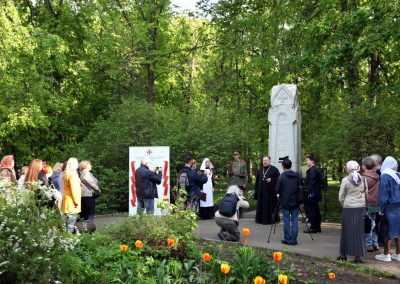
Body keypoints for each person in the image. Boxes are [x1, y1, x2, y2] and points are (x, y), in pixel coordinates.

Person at [337, 161, 367, 263]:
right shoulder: (363, 179)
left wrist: (344, 204)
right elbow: (365, 193)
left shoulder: (345, 180)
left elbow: (341, 196)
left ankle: (343, 255)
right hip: (360, 207)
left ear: (348, 169)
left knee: (346, 231)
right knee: (358, 232)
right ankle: (357, 257)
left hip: (348, 207)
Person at [375, 156, 400, 262]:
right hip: (398, 206)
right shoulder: (397, 175)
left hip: (389, 207)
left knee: (387, 230)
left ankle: (386, 254)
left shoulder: (385, 176)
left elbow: (383, 194)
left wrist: (380, 208)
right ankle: (398, 253)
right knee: (398, 230)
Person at [275, 158, 301, 245]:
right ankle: (294, 240)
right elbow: (300, 187)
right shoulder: (297, 175)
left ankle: (287, 238)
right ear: (291, 165)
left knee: (286, 221)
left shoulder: (281, 176)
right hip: (295, 201)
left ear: (283, 166)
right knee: (295, 221)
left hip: (285, 202)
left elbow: (277, 190)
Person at [254, 155, 280, 225]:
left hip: (269, 193)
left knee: (269, 206)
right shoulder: (260, 169)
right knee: (261, 205)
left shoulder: (274, 169)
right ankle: (260, 220)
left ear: (269, 161)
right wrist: (256, 192)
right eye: (263, 160)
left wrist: (271, 179)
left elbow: (278, 179)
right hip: (261, 192)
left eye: (266, 160)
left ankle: (269, 220)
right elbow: (257, 182)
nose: (265, 162)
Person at [362, 156, 380, 252]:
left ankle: (368, 245)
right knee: (374, 223)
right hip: (376, 203)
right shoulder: (377, 176)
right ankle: (375, 243)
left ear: (364, 166)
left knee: (367, 224)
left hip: (367, 203)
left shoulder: (364, 178)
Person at [61, 158, 81, 233]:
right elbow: (74, 190)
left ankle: (64, 240)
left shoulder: (65, 174)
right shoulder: (72, 175)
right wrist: (76, 202)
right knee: (70, 226)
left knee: (65, 225)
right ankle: (69, 241)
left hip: (66, 201)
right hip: (72, 202)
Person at [303, 153, 322, 233]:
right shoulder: (314, 169)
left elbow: (312, 183)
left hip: (312, 195)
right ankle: (317, 227)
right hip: (315, 194)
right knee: (315, 210)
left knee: (312, 211)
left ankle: (313, 227)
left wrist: (307, 190)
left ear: (312, 161)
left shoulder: (313, 170)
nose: (306, 162)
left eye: (307, 160)